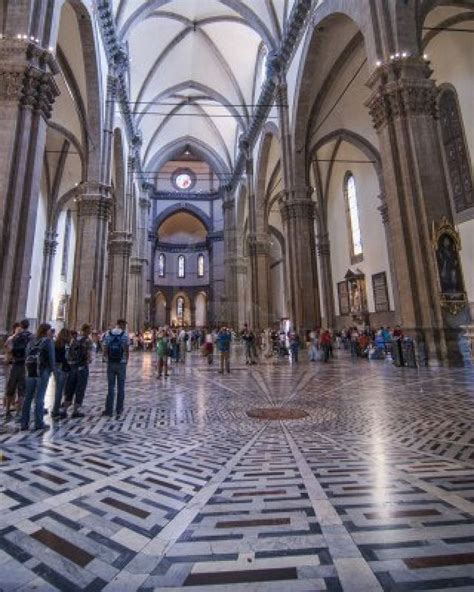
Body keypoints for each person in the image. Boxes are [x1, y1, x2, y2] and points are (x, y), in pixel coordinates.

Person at [20, 323, 55, 431]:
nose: (51, 332)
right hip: (42, 372)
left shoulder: (31, 341)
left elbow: (26, 354)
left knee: (27, 398)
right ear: (46, 331)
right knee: (39, 398)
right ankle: (39, 423)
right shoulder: (48, 342)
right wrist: (51, 371)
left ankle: (24, 424)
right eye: (50, 330)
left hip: (30, 372)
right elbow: (51, 359)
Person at [4, 319, 32, 420]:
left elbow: (8, 348)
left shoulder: (14, 337)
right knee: (21, 389)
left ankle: (7, 411)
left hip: (14, 364)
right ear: (28, 326)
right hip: (24, 365)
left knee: (10, 388)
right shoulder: (30, 337)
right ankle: (19, 412)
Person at [64, 323, 93, 418]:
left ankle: (64, 409)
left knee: (70, 387)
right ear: (87, 330)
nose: (91, 331)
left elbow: (68, 354)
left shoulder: (74, 339)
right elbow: (88, 355)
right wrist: (89, 360)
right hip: (82, 367)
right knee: (80, 388)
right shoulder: (88, 341)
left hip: (73, 367)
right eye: (90, 330)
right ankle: (76, 410)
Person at [103, 319, 130, 419]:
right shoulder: (125, 335)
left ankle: (109, 410)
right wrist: (126, 361)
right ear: (122, 324)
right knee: (121, 387)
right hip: (121, 363)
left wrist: (106, 358)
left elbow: (105, 349)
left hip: (111, 363)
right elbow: (127, 350)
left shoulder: (108, 334)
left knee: (111, 386)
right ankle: (119, 409)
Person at [51, 328, 71, 419]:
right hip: (63, 368)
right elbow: (67, 357)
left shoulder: (55, 343)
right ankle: (58, 410)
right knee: (63, 390)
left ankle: (55, 409)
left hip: (56, 367)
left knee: (58, 390)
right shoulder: (67, 345)